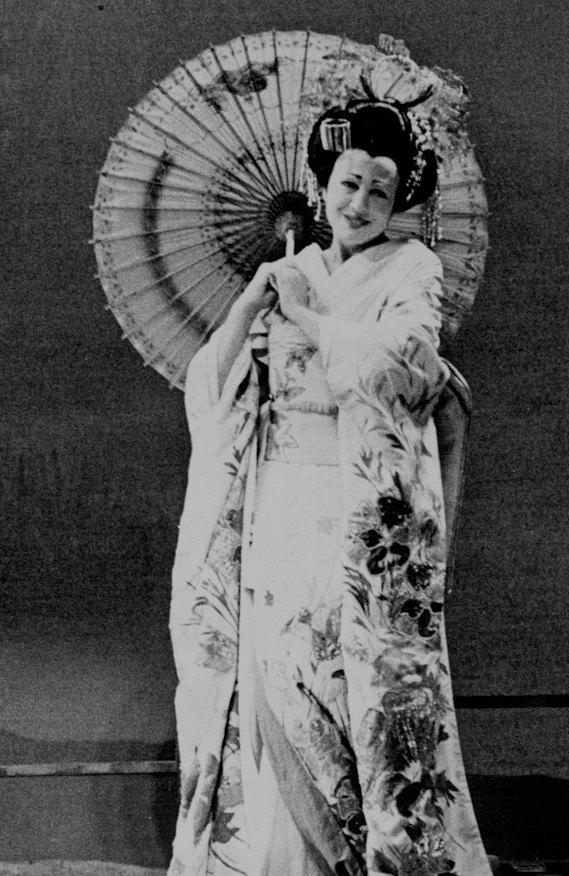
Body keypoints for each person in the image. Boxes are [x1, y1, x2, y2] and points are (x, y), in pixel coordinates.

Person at [168, 99, 493, 876]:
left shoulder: (412, 269)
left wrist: (310, 322)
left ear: (397, 203)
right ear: (321, 188)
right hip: (276, 506)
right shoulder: (291, 269)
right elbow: (209, 392)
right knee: (274, 680)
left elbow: (408, 365)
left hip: (355, 515)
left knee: (359, 691)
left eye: (380, 192)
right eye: (348, 185)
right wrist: (257, 297)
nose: (359, 205)